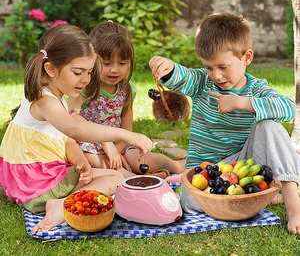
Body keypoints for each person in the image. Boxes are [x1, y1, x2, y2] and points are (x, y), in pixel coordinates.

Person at [149, 12, 300, 235]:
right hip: (207, 174)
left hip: (244, 168)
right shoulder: (201, 83)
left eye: (222, 66)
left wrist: (242, 103)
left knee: (270, 127)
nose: (216, 75)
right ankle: (255, 198)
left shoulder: (256, 89)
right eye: (209, 67)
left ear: (246, 58)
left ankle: (293, 205)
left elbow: (288, 108)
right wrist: (166, 66)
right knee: (188, 201)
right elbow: (182, 76)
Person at [0, 24, 153, 233]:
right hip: (33, 184)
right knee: (115, 179)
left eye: (89, 72)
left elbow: (67, 139)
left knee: (114, 176)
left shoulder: (55, 95)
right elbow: (75, 130)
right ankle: (61, 207)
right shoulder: (46, 101)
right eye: (78, 72)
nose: (86, 80)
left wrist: (82, 162)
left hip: (34, 176)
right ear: (51, 69)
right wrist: (124, 134)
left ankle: (63, 199)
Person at [68, 21, 186, 178]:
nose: (115, 69)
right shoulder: (85, 86)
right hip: (89, 143)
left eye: (122, 63)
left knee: (138, 159)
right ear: (92, 59)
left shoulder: (126, 90)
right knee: (91, 158)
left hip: (119, 143)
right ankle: (131, 178)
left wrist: (116, 152)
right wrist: (105, 143)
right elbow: (69, 115)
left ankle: (175, 166)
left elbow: (127, 129)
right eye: (107, 63)